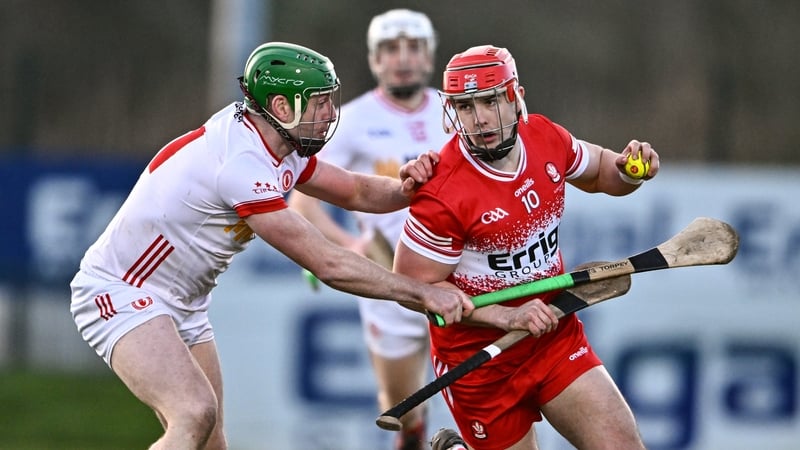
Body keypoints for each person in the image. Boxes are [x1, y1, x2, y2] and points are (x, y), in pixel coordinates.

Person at [69, 41, 474, 450]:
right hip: (121, 291)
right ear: (281, 107)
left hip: (185, 302)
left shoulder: (280, 142)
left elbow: (355, 190)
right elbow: (329, 264)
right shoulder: (242, 165)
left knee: (211, 442)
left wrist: (412, 187)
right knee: (193, 412)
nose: (330, 114)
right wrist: (422, 293)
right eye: (318, 103)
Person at [393, 44, 658, 450]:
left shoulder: (545, 137)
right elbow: (414, 291)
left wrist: (629, 173)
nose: (479, 118)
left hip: (554, 337)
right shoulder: (443, 192)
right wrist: (504, 316)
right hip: (479, 363)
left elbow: (603, 171)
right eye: (464, 107)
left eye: (489, 101)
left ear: (515, 96)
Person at [287, 9, 447, 450]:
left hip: (458, 278)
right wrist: (350, 245)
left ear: (429, 56)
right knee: (405, 412)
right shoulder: (350, 121)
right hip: (390, 285)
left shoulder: (456, 113)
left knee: (490, 404)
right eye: (390, 49)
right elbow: (301, 204)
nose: (402, 58)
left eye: (413, 47)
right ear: (374, 60)